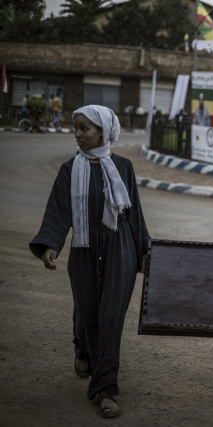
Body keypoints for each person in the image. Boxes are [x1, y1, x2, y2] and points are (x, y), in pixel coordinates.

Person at [29, 105, 150, 418]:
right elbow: (58, 211)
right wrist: (50, 246)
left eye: (85, 128)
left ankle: (105, 387)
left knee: (110, 316)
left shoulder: (123, 166)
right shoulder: (70, 170)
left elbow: (133, 212)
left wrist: (144, 252)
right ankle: (82, 346)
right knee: (87, 312)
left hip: (119, 245)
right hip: (83, 246)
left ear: (103, 131)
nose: (78, 134)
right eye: (77, 128)